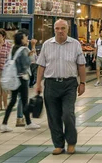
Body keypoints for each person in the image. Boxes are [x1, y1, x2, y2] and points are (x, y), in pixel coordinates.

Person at [35, 19, 87, 155]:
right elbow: (41, 66)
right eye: (57, 28)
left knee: (67, 114)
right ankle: (58, 144)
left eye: (63, 28)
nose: (60, 31)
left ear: (67, 29)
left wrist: (82, 83)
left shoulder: (75, 44)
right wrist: (38, 83)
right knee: (53, 116)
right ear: (54, 29)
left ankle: (71, 142)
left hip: (69, 84)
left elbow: (81, 65)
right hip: (51, 84)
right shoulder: (47, 45)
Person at [0, 31, 40, 132]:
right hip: (22, 78)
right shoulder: (23, 49)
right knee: (24, 101)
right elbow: (31, 61)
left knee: (13, 101)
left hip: (14, 78)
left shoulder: (13, 48)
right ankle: (29, 123)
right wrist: (33, 47)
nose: (27, 38)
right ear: (22, 39)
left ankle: (4, 124)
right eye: (26, 37)